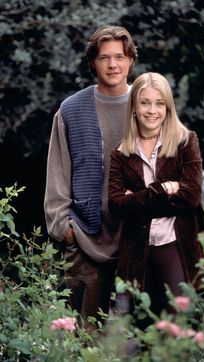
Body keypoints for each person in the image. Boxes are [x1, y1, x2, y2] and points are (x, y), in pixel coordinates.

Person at [44, 25, 137, 330]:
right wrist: (64, 227)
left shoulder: (147, 105)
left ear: (130, 60)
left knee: (130, 337)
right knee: (80, 336)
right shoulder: (71, 109)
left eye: (120, 57)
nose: (113, 65)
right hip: (85, 236)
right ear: (93, 63)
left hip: (135, 240)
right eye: (104, 58)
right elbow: (58, 170)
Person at [108, 72, 204, 318]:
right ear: (134, 107)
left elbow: (190, 197)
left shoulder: (185, 142)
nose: (152, 110)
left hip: (175, 245)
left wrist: (136, 199)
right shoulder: (120, 152)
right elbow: (116, 204)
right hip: (136, 250)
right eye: (145, 102)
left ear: (168, 107)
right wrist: (160, 190)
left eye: (159, 103)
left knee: (175, 324)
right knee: (139, 327)